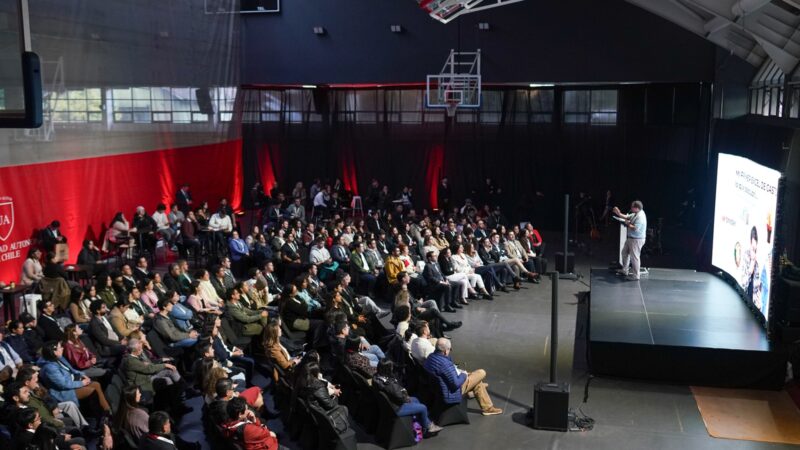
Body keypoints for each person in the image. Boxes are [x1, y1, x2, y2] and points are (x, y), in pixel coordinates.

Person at [424, 338, 502, 416]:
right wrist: (463, 374)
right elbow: (456, 384)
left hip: (439, 389)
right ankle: (487, 408)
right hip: (451, 392)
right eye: (449, 349)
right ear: (445, 351)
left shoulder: (431, 357)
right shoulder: (445, 364)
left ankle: (487, 407)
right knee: (481, 373)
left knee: (477, 381)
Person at [374, 359, 442, 438]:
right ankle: (428, 427)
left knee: (416, 400)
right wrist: (406, 398)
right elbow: (399, 395)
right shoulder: (389, 384)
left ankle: (423, 422)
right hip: (397, 408)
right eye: (391, 367)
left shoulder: (377, 377)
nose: (392, 368)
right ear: (388, 369)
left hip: (391, 404)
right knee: (423, 407)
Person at [612, 200, 647, 281]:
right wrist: (618, 213)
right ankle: (625, 270)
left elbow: (635, 228)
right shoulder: (636, 213)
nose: (631, 208)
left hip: (636, 240)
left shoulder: (640, 216)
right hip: (631, 238)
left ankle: (636, 276)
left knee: (635, 257)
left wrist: (627, 223)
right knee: (624, 252)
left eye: (632, 207)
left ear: (637, 208)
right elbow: (627, 217)